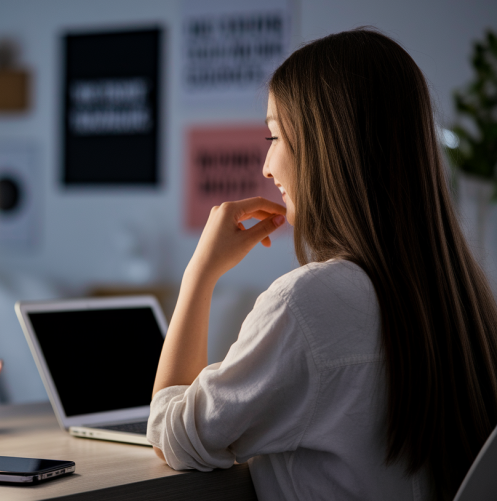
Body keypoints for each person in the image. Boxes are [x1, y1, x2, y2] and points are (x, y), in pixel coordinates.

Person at [147, 28, 497, 501]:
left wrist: (199, 275)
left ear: (327, 146)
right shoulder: (464, 300)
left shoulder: (307, 303)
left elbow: (173, 435)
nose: (267, 166)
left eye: (274, 136)